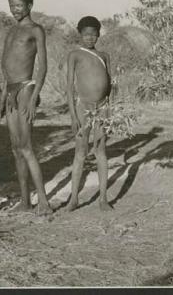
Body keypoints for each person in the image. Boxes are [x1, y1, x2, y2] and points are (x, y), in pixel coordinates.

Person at [0, 0, 52, 215]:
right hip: (10, 90)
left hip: (26, 89)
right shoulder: (11, 30)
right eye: (11, 5)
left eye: (19, 6)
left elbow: (43, 66)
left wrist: (34, 97)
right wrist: (3, 96)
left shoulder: (35, 30)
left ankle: (44, 203)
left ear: (29, 6)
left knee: (27, 147)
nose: (14, 10)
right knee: (15, 149)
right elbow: (5, 66)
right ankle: (25, 201)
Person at [66, 16, 112, 212]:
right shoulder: (75, 55)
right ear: (80, 35)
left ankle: (103, 198)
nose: (90, 38)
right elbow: (69, 87)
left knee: (101, 151)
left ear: (98, 35)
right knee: (80, 152)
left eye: (93, 34)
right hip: (82, 107)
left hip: (102, 107)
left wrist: (110, 109)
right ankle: (74, 199)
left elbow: (111, 85)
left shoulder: (104, 56)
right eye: (86, 34)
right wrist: (73, 116)